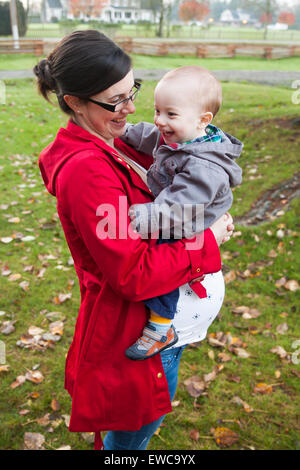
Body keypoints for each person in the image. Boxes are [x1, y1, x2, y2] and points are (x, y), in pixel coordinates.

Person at [33, 30, 234, 450]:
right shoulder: (87, 171)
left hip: (169, 328)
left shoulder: (114, 140)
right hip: (139, 332)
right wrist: (208, 239)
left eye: (132, 91)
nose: (131, 109)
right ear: (74, 102)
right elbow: (132, 274)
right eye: (116, 100)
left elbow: (180, 171)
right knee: (128, 446)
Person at [123, 66, 243, 361]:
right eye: (157, 110)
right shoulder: (184, 138)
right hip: (182, 214)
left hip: (189, 221)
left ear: (203, 120)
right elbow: (152, 137)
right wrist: (123, 132)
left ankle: (161, 326)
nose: (159, 120)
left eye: (170, 114)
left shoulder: (205, 166)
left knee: (162, 265)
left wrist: (146, 218)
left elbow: (182, 206)